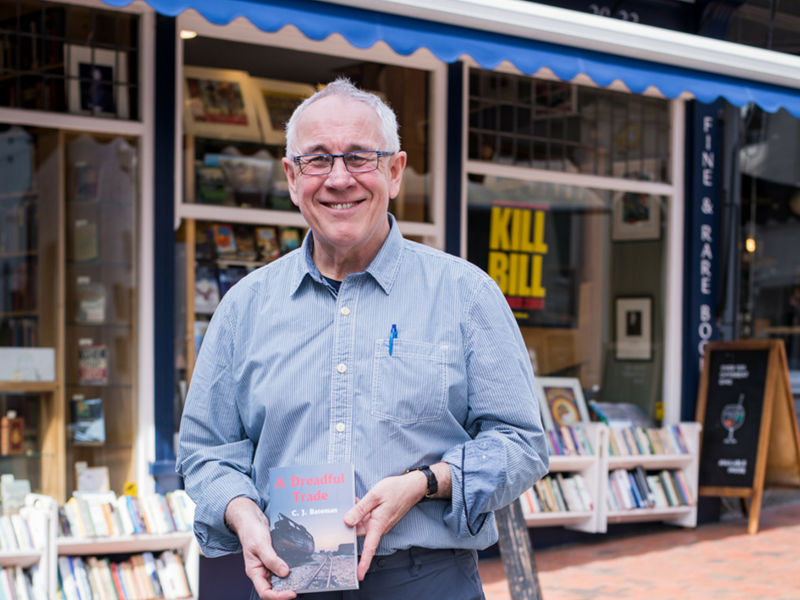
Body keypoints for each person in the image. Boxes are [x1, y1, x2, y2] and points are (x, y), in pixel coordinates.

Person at [176, 78, 548, 600]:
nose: (339, 179)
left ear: (394, 172)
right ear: (291, 176)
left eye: (358, 158)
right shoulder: (244, 307)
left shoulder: (465, 293)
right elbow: (206, 451)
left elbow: (522, 444)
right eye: (318, 160)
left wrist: (424, 483)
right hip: (285, 580)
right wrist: (242, 514)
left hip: (425, 580)